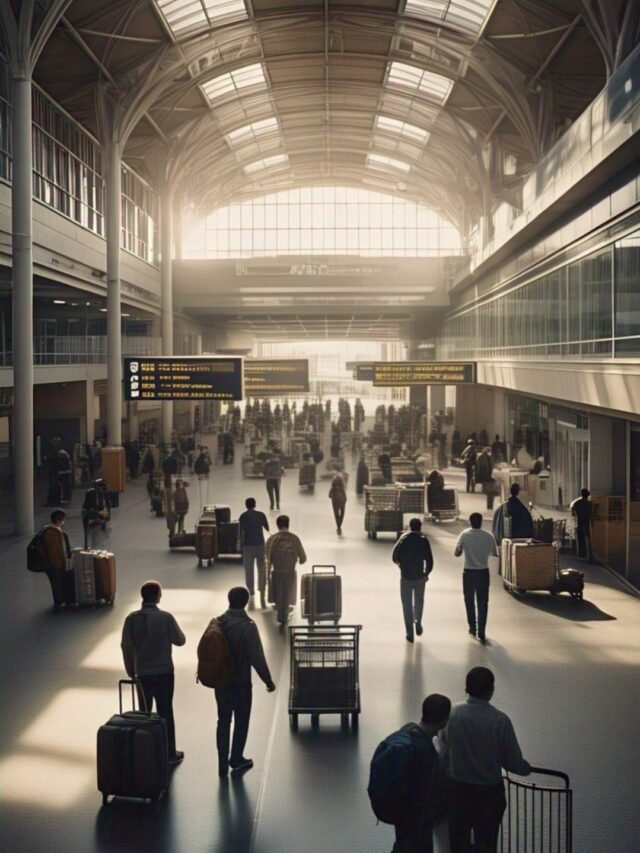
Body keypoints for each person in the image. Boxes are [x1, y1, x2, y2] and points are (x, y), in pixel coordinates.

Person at [443, 667, 531, 853]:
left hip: (457, 791)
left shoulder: (452, 715)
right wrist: (524, 768)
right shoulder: (499, 720)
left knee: (458, 843)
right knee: (486, 843)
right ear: (491, 690)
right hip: (489, 794)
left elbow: (442, 749)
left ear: (467, 688)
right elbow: (512, 762)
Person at [121, 581, 186, 765]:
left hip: (142, 673)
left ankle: (146, 752)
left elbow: (126, 646)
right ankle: (169, 753)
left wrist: (131, 671)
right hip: (164, 671)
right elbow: (180, 640)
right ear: (158, 597)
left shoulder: (131, 619)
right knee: (165, 711)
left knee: (145, 713)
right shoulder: (165, 617)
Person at [216, 586, 276, 777]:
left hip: (221, 681)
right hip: (240, 682)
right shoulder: (248, 626)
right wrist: (268, 680)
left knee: (223, 720)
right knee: (241, 721)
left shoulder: (218, 622)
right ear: (244, 602)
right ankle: (236, 758)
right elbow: (257, 657)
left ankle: (222, 762)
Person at [388, 694, 452, 853]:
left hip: (400, 811)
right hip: (418, 818)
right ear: (445, 720)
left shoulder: (408, 730)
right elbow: (428, 790)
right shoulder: (426, 750)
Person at [454, 513, 498, 643]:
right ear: (481, 522)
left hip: (468, 572)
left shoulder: (464, 535)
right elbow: (495, 553)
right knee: (483, 602)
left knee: (469, 601)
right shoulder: (488, 536)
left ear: (470, 521)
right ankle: (482, 631)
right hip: (483, 572)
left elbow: (457, 553)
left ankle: (472, 628)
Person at [392, 518, 434, 643]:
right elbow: (430, 560)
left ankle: (409, 632)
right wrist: (426, 574)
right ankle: (418, 621)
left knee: (406, 604)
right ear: (420, 527)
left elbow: (394, 556)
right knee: (419, 601)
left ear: (410, 526)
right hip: (420, 577)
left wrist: (401, 565)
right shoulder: (424, 540)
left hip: (405, 577)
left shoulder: (404, 539)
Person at [265, 515, 307, 625]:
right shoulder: (294, 538)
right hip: (290, 572)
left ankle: (280, 614)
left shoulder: (272, 539)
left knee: (279, 593)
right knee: (288, 593)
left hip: (276, 572)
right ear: (288, 524)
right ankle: (285, 614)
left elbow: (267, 556)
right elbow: (303, 559)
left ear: (277, 525)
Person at [238, 497, 270, 607]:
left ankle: (251, 590)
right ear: (255, 504)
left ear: (246, 505)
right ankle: (262, 588)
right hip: (260, 545)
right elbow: (267, 528)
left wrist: (239, 545)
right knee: (261, 568)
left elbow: (241, 532)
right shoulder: (261, 515)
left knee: (249, 569)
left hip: (247, 546)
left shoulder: (243, 516)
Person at [40, 509, 74, 609]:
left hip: (56, 563)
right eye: (63, 519)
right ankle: (59, 602)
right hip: (54, 564)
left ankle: (62, 600)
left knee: (59, 582)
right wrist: (59, 562)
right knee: (57, 583)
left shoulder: (53, 530)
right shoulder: (51, 532)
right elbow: (54, 550)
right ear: (59, 520)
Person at [82, 478, 112, 549]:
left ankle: (96, 549)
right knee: (97, 541)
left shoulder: (102, 494)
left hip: (99, 521)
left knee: (98, 541)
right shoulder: (94, 494)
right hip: (96, 521)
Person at [571, 487, 593, 560]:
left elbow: (573, 510)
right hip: (586, 522)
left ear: (581, 494)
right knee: (587, 537)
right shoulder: (589, 504)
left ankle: (581, 555)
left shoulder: (578, 503)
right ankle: (589, 555)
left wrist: (575, 514)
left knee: (580, 538)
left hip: (579, 522)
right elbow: (591, 514)